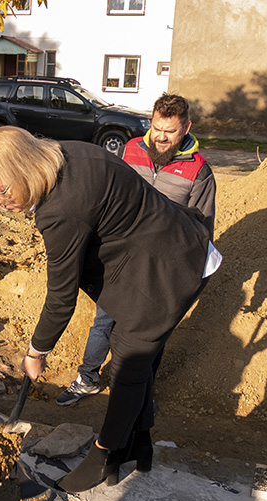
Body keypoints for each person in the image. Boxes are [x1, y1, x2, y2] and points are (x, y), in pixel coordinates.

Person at [0, 126, 221, 493]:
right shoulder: (68, 153)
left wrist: (36, 352)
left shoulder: (60, 210)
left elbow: (61, 296)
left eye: (4, 190)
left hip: (168, 271)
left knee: (128, 362)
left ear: (25, 166)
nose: (0, 203)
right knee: (135, 354)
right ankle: (138, 445)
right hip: (175, 246)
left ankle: (104, 457)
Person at [57, 93, 217, 407]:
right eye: (157, 127)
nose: (161, 136)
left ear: (186, 128)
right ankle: (88, 378)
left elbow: (202, 228)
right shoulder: (131, 151)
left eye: (170, 131)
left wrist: (189, 275)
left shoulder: (199, 170)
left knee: (150, 335)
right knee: (104, 321)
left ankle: (139, 393)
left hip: (161, 268)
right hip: (120, 257)